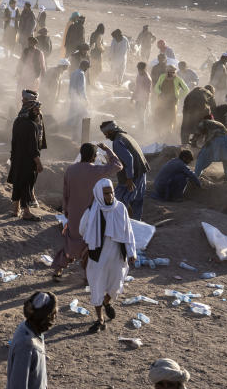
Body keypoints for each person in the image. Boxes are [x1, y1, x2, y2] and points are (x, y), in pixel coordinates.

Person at [51, 142, 122, 278]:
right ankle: (87, 275)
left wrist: (66, 210)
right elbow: (118, 165)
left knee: (71, 241)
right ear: (94, 156)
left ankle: (58, 269)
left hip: (74, 212)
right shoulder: (97, 171)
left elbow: (66, 192)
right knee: (91, 243)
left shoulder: (70, 170)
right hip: (91, 213)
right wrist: (107, 149)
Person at [79, 178, 137, 333]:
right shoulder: (92, 210)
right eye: (105, 193)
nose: (109, 196)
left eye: (111, 192)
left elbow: (128, 231)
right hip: (98, 255)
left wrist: (132, 252)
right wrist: (93, 238)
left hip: (117, 254)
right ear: (99, 193)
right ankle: (100, 319)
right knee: (97, 285)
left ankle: (107, 301)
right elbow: (82, 229)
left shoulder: (120, 208)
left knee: (116, 285)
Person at [7, 291, 57, 389]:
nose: (55, 316)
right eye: (53, 313)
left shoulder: (28, 327)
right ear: (45, 318)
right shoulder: (27, 346)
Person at [100, 121, 149, 221]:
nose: (106, 137)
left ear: (111, 131)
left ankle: (120, 223)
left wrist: (129, 179)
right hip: (141, 171)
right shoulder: (125, 136)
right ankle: (135, 223)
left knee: (121, 200)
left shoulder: (117, 141)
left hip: (132, 176)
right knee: (137, 200)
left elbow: (129, 159)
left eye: (106, 134)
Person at [10, 100, 45, 221]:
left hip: (16, 159)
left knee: (17, 183)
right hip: (27, 161)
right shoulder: (31, 125)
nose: (37, 113)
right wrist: (38, 163)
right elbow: (32, 148)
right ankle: (26, 212)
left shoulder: (17, 121)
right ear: (29, 110)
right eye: (35, 110)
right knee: (26, 185)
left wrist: (13, 158)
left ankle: (15, 209)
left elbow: (13, 143)